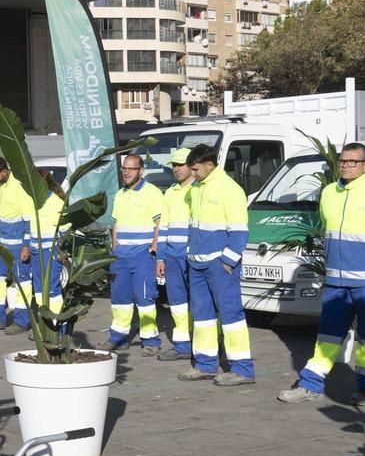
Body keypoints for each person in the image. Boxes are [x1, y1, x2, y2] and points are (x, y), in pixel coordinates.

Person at [279, 143, 365, 405]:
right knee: (327, 336)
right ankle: (310, 385)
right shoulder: (329, 192)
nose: (346, 165)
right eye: (343, 161)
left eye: (353, 162)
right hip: (336, 284)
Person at [177, 144, 255, 385]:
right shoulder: (197, 188)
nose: (192, 174)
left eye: (195, 169)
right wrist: (191, 253)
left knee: (231, 316)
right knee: (202, 317)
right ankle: (206, 365)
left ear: (210, 166)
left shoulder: (229, 189)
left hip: (219, 266)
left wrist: (228, 262)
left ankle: (243, 370)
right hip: (197, 263)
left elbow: (239, 230)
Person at [106, 154, 164, 355]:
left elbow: (159, 224)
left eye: (131, 169)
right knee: (119, 300)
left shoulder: (152, 192)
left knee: (145, 298)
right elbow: (116, 224)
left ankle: (151, 341)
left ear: (141, 171)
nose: (126, 172)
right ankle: (118, 338)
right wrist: (114, 247)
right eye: (124, 168)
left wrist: (155, 247)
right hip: (120, 257)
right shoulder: (120, 194)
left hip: (142, 256)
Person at [0, 156, 34, 335]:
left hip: (19, 247)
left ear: (4, 172)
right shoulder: (2, 186)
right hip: (2, 245)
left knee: (22, 283)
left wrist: (26, 245)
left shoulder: (19, 186)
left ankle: (21, 321)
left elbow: (29, 218)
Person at [155, 148, 196, 362]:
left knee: (200, 303)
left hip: (193, 257)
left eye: (181, 164)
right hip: (172, 257)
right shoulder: (170, 193)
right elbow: (163, 228)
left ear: (191, 166)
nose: (177, 168)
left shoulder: (199, 190)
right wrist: (160, 258)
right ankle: (182, 346)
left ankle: (209, 344)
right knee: (177, 304)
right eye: (174, 165)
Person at [26, 169, 66, 314]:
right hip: (35, 252)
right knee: (38, 288)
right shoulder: (31, 201)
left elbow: (65, 229)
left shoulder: (56, 202)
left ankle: (56, 322)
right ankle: (44, 320)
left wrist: (61, 251)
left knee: (51, 288)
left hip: (51, 252)